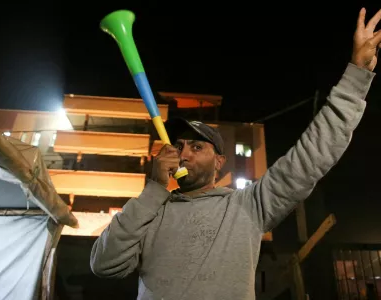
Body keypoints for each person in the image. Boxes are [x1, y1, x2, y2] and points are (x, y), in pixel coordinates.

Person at [90, 8, 381, 300]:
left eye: (197, 146)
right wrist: (153, 190)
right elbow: (103, 265)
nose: (184, 153)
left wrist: (356, 77)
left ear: (219, 162)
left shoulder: (247, 206)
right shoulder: (151, 212)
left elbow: (311, 157)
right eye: (179, 146)